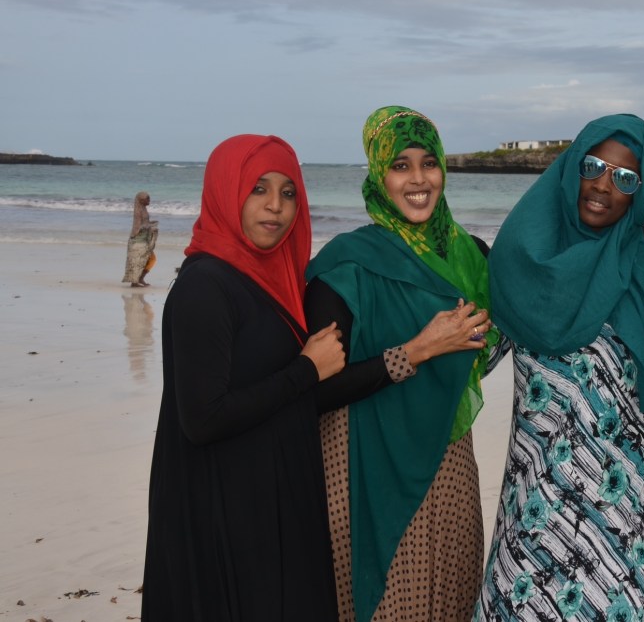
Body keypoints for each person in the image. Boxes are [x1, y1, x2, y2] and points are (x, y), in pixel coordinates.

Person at [475, 114, 644, 621]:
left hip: (630, 509)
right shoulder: (523, 261)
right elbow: (472, 355)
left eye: (625, 178)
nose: (603, 185)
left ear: (640, 190)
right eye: (593, 166)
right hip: (538, 505)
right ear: (572, 167)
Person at [305, 106, 498, 622]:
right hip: (366, 464)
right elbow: (315, 392)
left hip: (449, 463)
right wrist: (418, 350)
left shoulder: (473, 257)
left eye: (428, 163)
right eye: (400, 165)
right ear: (378, 174)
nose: (418, 180)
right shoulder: (345, 265)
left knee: (452, 599)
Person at [142, 135, 346, 621]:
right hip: (222, 513)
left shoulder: (272, 281)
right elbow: (203, 420)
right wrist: (306, 369)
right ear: (225, 192)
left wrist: (412, 354)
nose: (276, 206)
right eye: (258, 188)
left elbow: (283, 393)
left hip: (264, 501)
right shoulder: (205, 285)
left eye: (288, 192)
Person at [122, 190, 158, 286]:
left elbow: (144, 223)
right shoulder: (138, 212)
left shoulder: (143, 209)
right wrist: (150, 226)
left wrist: (150, 224)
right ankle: (134, 282)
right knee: (137, 260)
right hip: (137, 239)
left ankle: (140, 279)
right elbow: (139, 226)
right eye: (147, 199)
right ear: (141, 200)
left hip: (144, 238)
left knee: (151, 259)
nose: (149, 200)